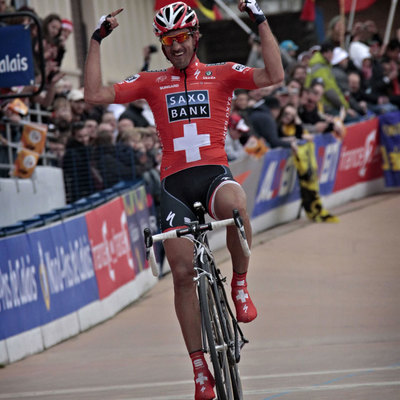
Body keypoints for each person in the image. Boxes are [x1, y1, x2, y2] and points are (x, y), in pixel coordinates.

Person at [84, 2, 284, 399]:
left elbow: (274, 74)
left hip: (213, 176)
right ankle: (199, 368)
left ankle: (240, 284)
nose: (174, 46)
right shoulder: (152, 81)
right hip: (175, 185)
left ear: (196, 37)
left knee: (237, 205)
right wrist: (95, 41)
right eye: (166, 40)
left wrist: (259, 20)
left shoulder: (221, 73)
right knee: (180, 274)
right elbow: (93, 94)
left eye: (181, 38)